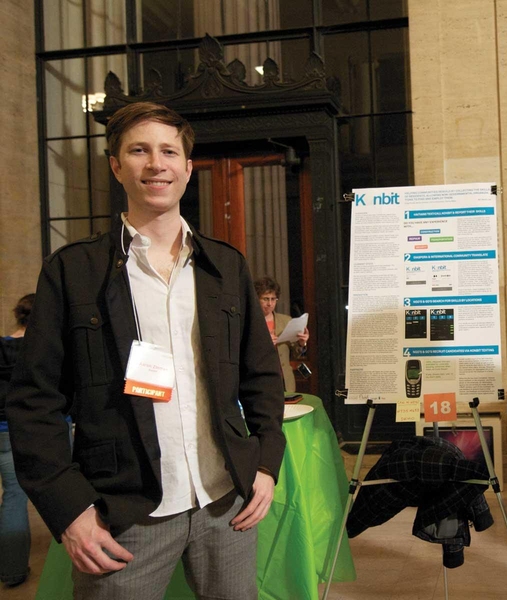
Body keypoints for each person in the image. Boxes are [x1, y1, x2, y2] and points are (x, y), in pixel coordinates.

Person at [6, 101, 285, 599]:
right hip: (125, 514)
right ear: (116, 166)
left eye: (168, 151)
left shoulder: (225, 266)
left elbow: (261, 375)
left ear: (187, 167)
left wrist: (265, 465)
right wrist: (69, 510)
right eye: (139, 150)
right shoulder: (74, 271)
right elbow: (34, 401)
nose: (156, 163)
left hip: (225, 504)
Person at [0, 294, 33, 587]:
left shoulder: (1, 345)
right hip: (33, 429)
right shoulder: (39, 350)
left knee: (12, 496)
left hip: (2, 430)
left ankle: (12, 571)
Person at [254, 276, 310, 393]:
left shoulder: (285, 320)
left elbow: (296, 354)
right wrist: (263, 343)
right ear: (257, 299)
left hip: (284, 380)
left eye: (273, 299)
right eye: (265, 299)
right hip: (259, 381)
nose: (270, 303)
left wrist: (301, 342)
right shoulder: (250, 322)